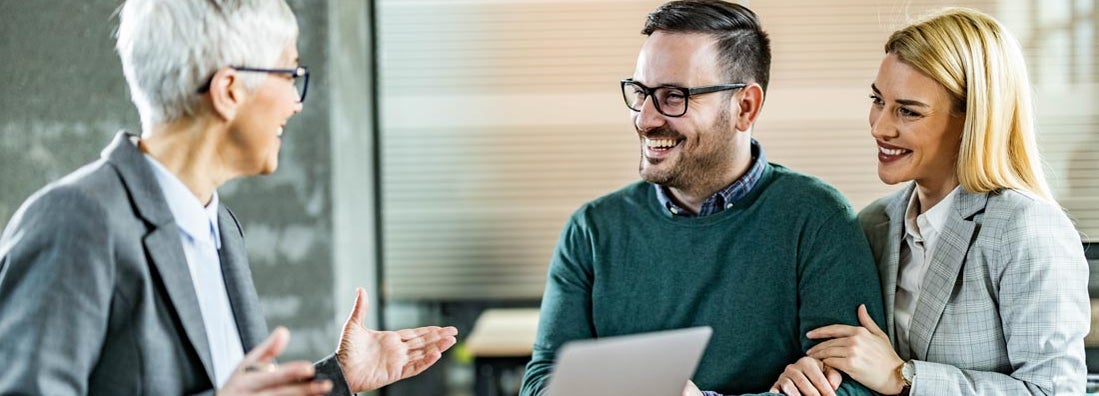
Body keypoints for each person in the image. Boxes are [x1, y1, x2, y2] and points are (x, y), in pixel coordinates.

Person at [0, 1, 457, 395]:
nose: (296, 103)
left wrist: (337, 377)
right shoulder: (76, 221)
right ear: (229, 90)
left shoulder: (220, 227)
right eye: (290, 72)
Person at [517, 1, 885, 395]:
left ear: (745, 106)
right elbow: (543, 382)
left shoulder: (816, 219)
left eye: (673, 96)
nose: (645, 118)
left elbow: (853, 388)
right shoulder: (591, 230)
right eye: (641, 92)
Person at [769, 7, 1090, 396]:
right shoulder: (874, 224)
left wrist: (904, 377)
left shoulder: (1023, 228)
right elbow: (861, 363)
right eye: (877, 100)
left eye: (908, 111)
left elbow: (1053, 391)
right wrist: (819, 372)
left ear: (971, 118)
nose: (880, 126)